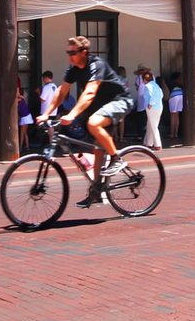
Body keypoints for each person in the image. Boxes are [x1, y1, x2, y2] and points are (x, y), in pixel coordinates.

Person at [37, 35, 136, 209]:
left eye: (73, 52)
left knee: (93, 123)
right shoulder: (73, 68)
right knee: (97, 147)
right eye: (68, 52)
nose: (69, 56)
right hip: (100, 107)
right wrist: (46, 114)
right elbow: (61, 91)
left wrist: (72, 114)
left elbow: (90, 92)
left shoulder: (96, 64)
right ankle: (96, 192)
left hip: (120, 100)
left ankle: (116, 159)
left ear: (84, 52)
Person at [139, 66, 164, 150]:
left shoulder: (148, 86)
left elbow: (152, 96)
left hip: (151, 108)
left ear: (144, 79)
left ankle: (157, 144)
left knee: (153, 126)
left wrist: (150, 104)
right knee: (150, 125)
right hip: (159, 106)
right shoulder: (156, 85)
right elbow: (161, 95)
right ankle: (148, 143)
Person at [16, 85, 35, 153]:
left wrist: (18, 93)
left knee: (22, 133)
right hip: (25, 117)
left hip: (25, 117)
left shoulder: (20, 99)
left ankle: (20, 148)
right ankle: (27, 147)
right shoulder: (20, 99)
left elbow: (19, 98)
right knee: (24, 133)